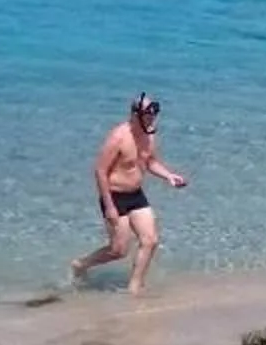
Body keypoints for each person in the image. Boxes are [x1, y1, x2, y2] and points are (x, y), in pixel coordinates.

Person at [70, 93, 187, 295]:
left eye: (154, 114)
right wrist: (109, 207)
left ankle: (134, 288)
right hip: (115, 197)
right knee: (118, 250)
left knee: (150, 240)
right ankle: (80, 264)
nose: (152, 118)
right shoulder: (119, 137)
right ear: (135, 114)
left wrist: (169, 175)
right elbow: (100, 170)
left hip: (136, 194)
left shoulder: (149, 135)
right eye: (148, 114)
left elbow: (150, 162)